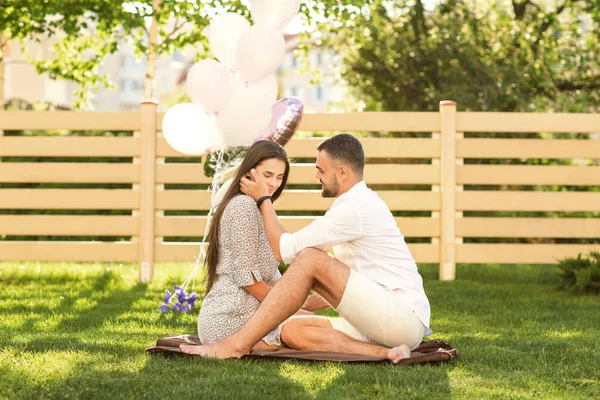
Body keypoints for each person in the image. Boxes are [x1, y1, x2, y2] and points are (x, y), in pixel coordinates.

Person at [182, 133, 432, 363]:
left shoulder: (353, 208)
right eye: (267, 175)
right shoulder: (356, 204)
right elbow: (339, 282)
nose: (316, 177)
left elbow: (286, 251)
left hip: (400, 317)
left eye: (321, 170)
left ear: (342, 172)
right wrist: (300, 307)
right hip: (392, 324)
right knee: (294, 329)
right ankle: (387, 353)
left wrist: (264, 200)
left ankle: (235, 345)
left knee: (311, 258)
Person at [181, 140, 296, 353]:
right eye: (267, 175)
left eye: (279, 177)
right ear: (249, 173)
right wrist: (286, 308)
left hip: (255, 312)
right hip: (230, 318)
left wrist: (297, 301)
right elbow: (248, 280)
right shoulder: (243, 207)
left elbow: (271, 271)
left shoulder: (260, 206)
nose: (273, 184)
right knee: (303, 332)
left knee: (310, 326)